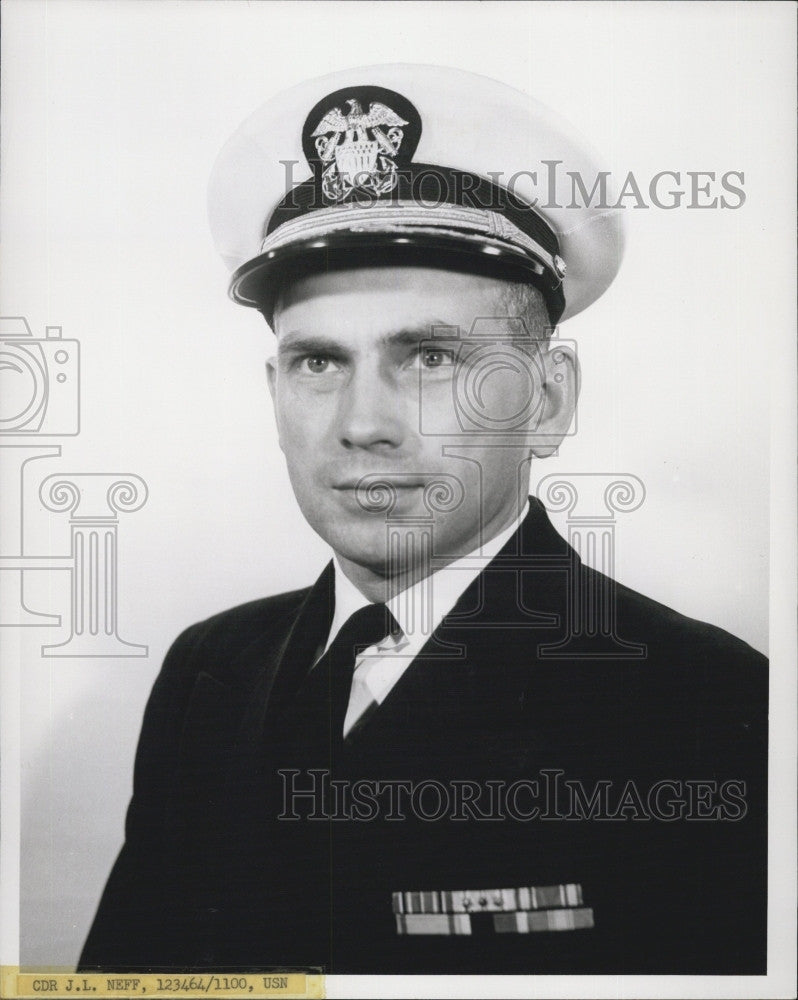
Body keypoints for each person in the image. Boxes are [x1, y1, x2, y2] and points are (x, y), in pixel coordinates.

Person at [78, 64, 767, 976]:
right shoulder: (212, 669)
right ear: (274, 391)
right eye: (318, 363)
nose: (362, 424)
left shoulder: (709, 707)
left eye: (432, 356)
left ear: (550, 401)